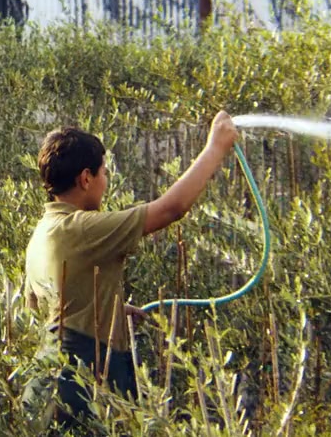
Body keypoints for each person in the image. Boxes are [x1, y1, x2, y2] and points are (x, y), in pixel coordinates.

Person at [23, 111, 239, 430]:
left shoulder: (42, 233)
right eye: (104, 173)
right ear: (86, 178)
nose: (106, 182)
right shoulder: (80, 228)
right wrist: (216, 147)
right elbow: (171, 209)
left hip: (47, 384)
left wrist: (110, 308)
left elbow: (51, 306)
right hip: (82, 385)